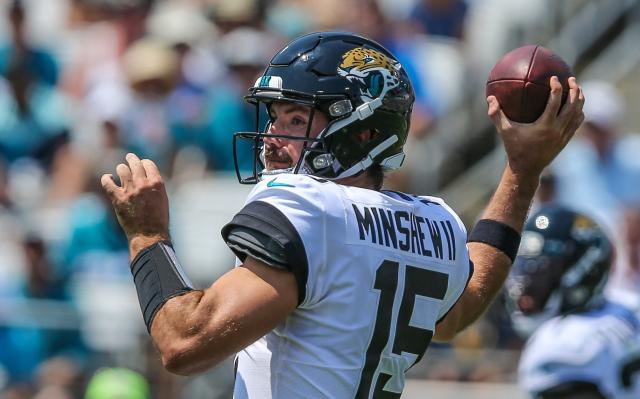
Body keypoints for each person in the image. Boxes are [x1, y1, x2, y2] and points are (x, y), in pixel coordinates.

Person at [100, 31, 584, 398]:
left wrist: (147, 234)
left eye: (295, 120)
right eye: (273, 117)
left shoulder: (306, 209)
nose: (272, 137)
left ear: (365, 133)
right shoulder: (435, 222)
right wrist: (521, 170)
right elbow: (461, 308)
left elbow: (185, 344)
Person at [505, 205, 640, 399]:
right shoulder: (630, 307)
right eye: (521, 269)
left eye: (539, 272)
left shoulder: (564, 343)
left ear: (583, 271)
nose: (523, 289)